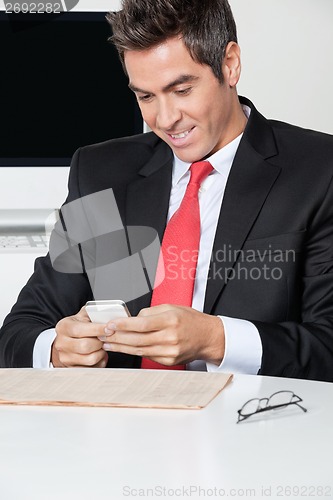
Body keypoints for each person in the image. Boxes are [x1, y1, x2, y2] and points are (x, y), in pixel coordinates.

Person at [1, 0, 333, 381]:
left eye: (182, 90)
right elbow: (19, 330)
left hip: (255, 428)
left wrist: (216, 339)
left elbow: (327, 344)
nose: (165, 119)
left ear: (230, 64)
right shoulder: (101, 174)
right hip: (119, 428)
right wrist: (57, 350)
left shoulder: (320, 171)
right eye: (145, 96)